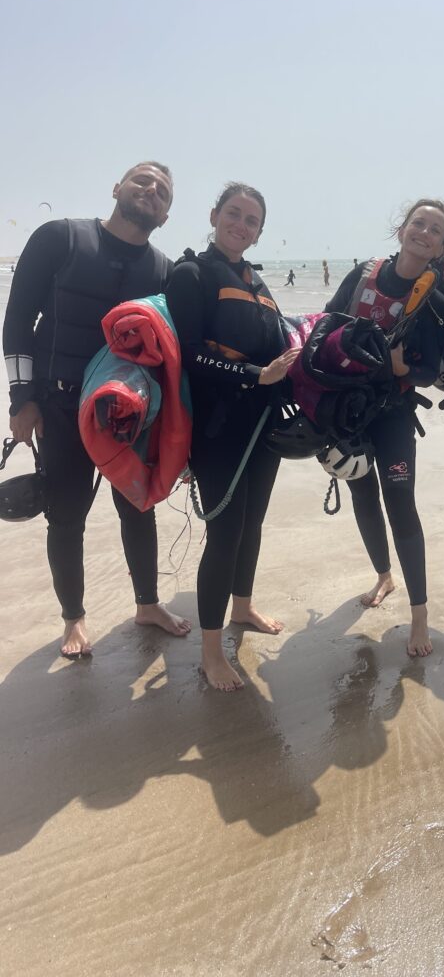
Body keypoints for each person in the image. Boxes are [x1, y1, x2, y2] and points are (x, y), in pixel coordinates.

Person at [2, 162, 190, 660]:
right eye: (142, 180)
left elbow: (168, 355)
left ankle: (147, 604)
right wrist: (22, 400)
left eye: (163, 191)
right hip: (60, 406)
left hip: (126, 415)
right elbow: (18, 319)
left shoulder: (162, 270)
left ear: (166, 215)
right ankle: (74, 619)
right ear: (117, 188)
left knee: (138, 508)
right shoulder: (60, 238)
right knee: (66, 516)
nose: (151, 190)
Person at [165, 182, 299, 691]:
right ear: (215, 215)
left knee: (253, 522)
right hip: (218, 425)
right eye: (234, 214)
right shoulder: (191, 273)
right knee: (224, 534)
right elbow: (188, 351)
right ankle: (209, 651)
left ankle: (242, 606)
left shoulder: (258, 284)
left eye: (251, 221)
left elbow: (274, 346)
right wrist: (253, 376)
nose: (241, 225)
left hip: (261, 422)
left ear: (259, 233)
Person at [325, 198, 444, 657]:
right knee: (362, 494)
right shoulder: (363, 274)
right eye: (418, 223)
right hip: (347, 409)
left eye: (435, 230)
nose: (424, 232)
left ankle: (420, 616)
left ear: (442, 244)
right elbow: (324, 324)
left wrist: (401, 369)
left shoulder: (435, 300)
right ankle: (383, 576)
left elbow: (430, 372)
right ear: (402, 229)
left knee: (401, 504)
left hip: (393, 413)